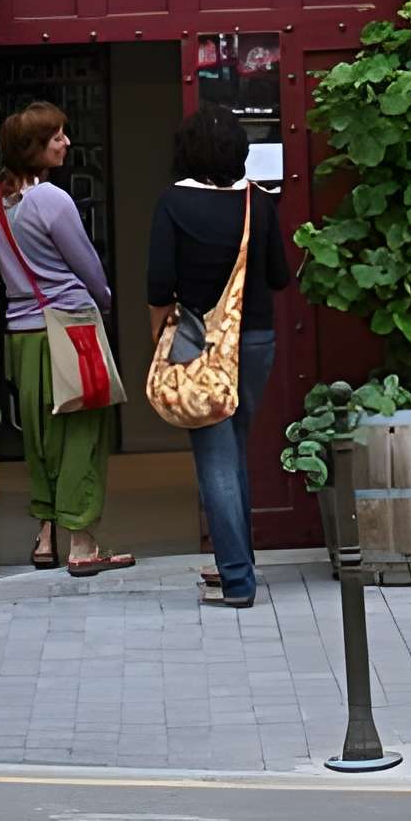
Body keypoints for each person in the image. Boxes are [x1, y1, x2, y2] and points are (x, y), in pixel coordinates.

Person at [147, 105, 290, 608]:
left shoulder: (172, 204)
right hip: (255, 343)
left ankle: (236, 580)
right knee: (234, 450)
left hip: (198, 347)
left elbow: (159, 285)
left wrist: (159, 345)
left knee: (214, 457)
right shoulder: (259, 203)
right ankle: (240, 562)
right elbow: (278, 277)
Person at [0, 101, 133, 578]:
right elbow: (87, 266)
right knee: (82, 433)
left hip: (23, 334)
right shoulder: (53, 199)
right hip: (69, 328)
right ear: (34, 148)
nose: (66, 142)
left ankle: (45, 535)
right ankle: (83, 542)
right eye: (56, 137)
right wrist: (106, 299)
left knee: (43, 437)